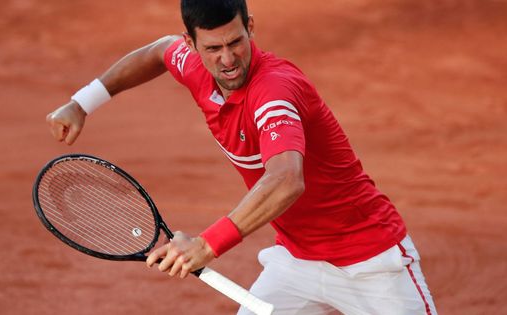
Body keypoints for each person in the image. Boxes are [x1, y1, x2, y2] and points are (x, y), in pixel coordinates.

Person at [46, 1, 437, 314]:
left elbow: (286, 179)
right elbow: (156, 53)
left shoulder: (275, 90)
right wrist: (82, 103)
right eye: (213, 48)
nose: (228, 59)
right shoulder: (191, 63)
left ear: (250, 27)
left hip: (370, 261)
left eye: (235, 42)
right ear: (192, 43)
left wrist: (206, 245)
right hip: (296, 260)